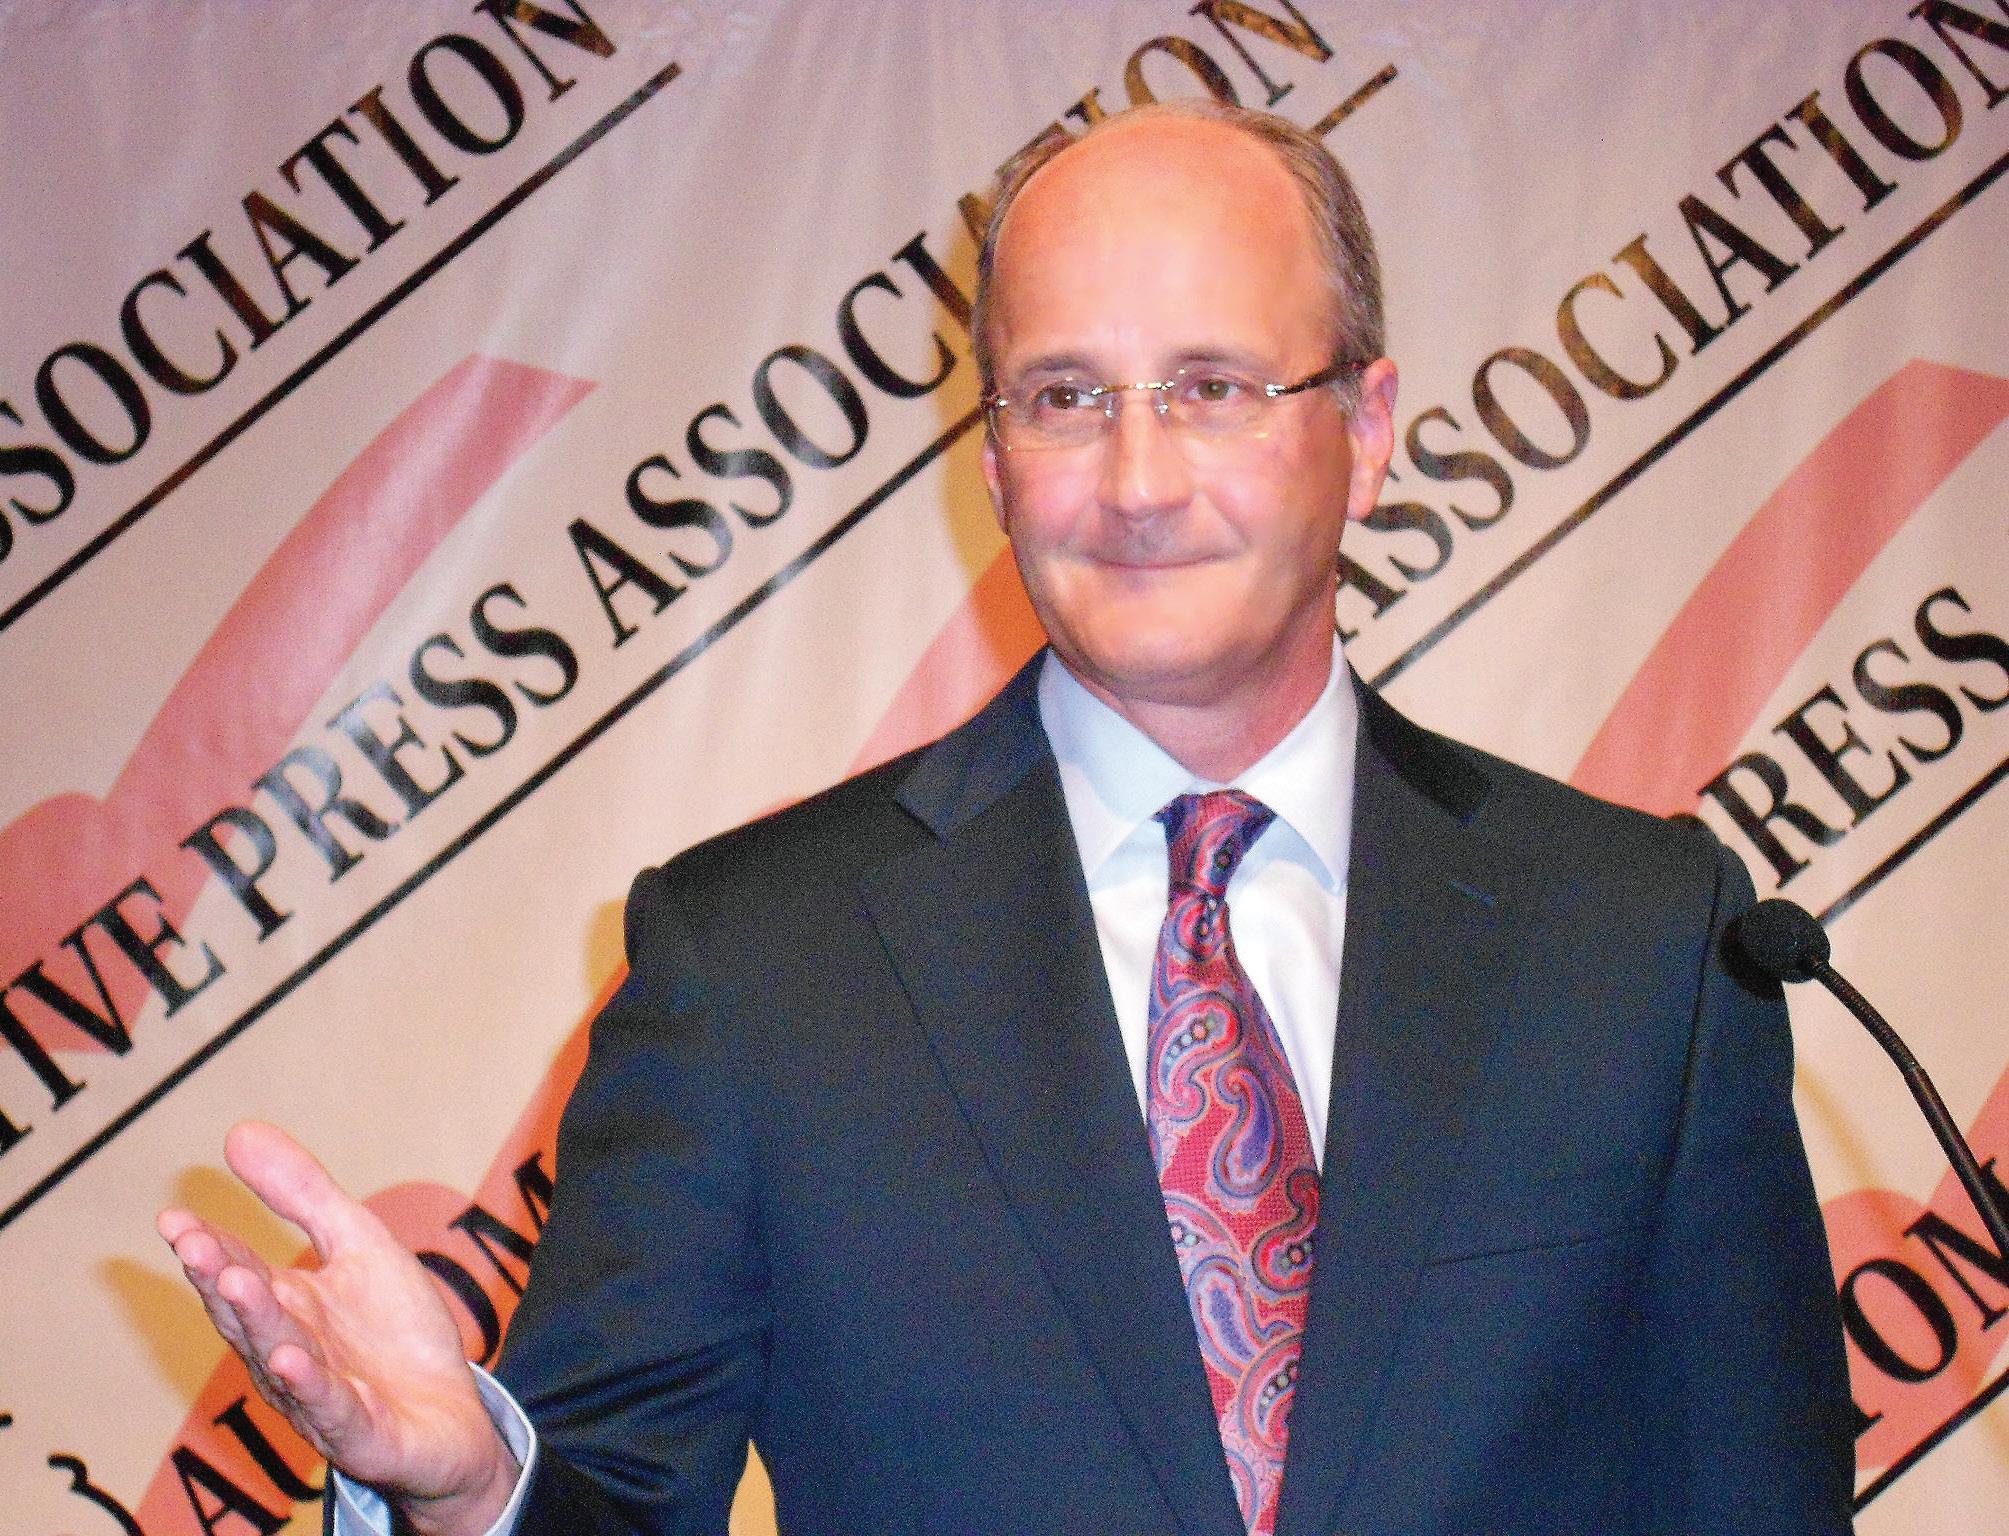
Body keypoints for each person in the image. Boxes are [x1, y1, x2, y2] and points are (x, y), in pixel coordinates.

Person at [160, 100, 1856, 1536]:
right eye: (1062, 397)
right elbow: (614, 1495)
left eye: (1212, 386)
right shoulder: (756, 966)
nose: (1135, 480)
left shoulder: (1642, 942)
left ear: (1366, 430)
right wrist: (473, 1487)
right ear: (988, 464)